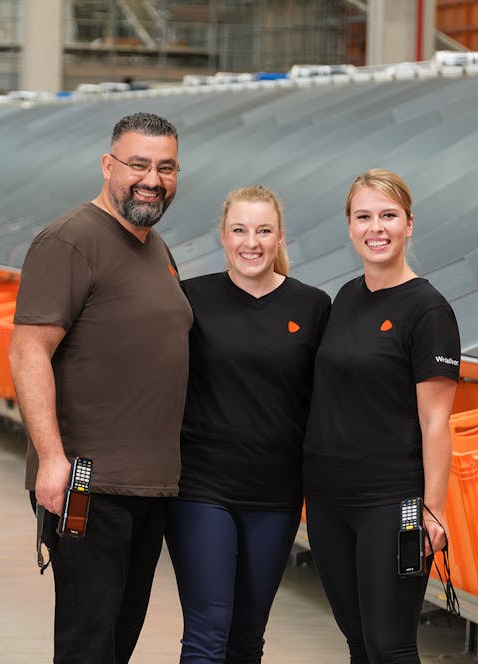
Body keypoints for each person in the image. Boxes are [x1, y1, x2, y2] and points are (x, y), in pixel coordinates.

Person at [8, 112, 193, 664]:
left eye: (165, 168)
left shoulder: (156, 247)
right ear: (108, 165)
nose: (152, 180)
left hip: (149, 486)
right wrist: (51, 459)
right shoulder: (70, 241)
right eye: (138, 165)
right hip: (89, 483)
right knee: (88, 644)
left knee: (118, 642)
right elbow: (28, 350)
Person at [165, 185, 331, 663]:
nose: (251, 242)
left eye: (263, 230)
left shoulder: (313, 307)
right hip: (201, 489)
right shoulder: (190, 301)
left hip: (275, 495)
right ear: (223, 236)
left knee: (247, 637)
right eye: (239, 230)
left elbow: (331, 396)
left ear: (280, 237)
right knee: (208, 629)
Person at [302, 169, 461, 664]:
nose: (377, 228)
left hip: (393, 504)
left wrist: (433, 508)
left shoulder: (428, 310)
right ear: (349, 226)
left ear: (409, 225)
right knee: (357, 643)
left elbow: (436, 421)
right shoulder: (345, 298)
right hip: (329, 501)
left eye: (388, 216)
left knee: (390, 646)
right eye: (364, 216)